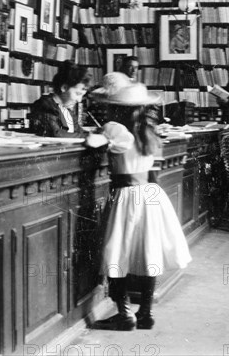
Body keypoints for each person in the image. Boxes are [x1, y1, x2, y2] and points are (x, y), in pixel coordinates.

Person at [85, 80, 192, 331]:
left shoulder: (114, 128)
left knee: (117, 253)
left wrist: (95, 133)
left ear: (116, 109)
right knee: (149, 251)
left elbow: (92, 143)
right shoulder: (148, 130)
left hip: (126, 196)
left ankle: (123, 314)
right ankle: (145, 312)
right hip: (150, 194)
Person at [30, 60, 91, 138]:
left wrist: (100, 133)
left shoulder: (66, 109)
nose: (79, 100)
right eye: (77, 94)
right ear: (64, 88)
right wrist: (89, 136)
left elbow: (79, 132)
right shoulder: (44, 105)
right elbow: (56, 133)